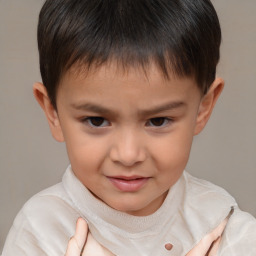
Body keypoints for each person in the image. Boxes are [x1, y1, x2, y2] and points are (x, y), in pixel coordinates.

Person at [2, 0, 256, 255]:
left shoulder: (224, 228)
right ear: (53, 112)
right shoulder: (41, 231)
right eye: (97, 121)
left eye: (157, 121)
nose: (128, 154)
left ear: (203, 107)